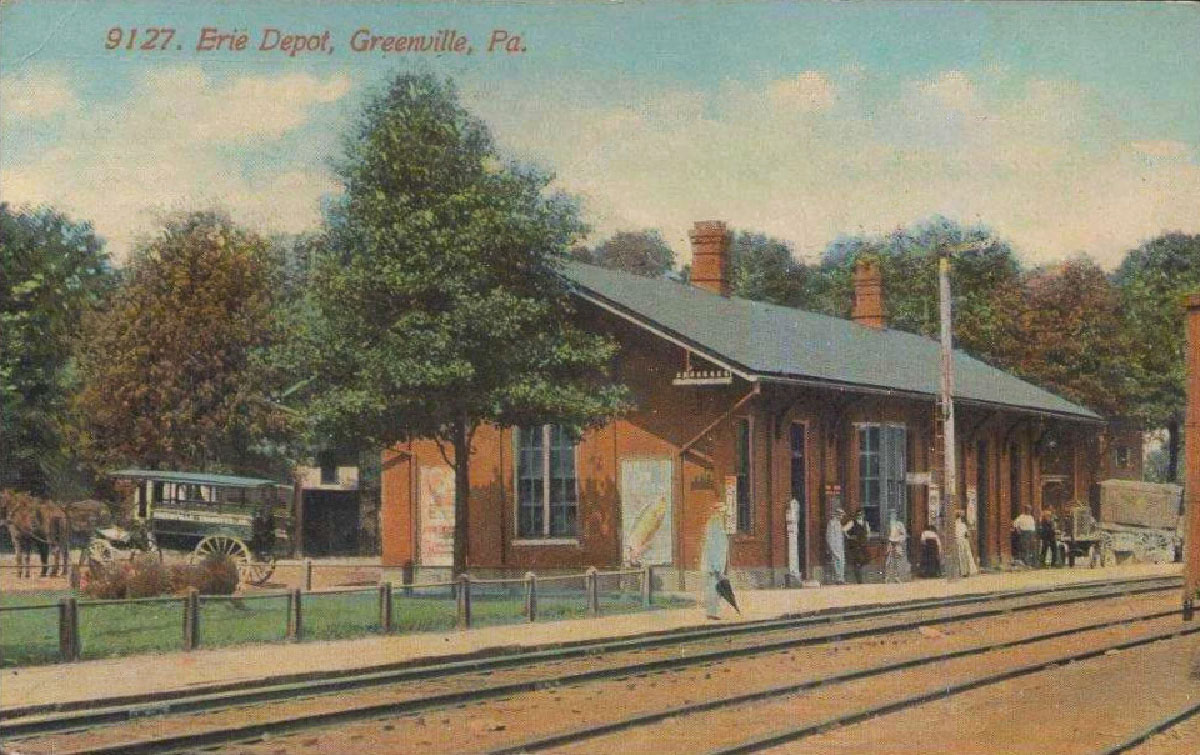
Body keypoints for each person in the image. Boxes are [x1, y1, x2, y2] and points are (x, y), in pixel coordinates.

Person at [701, 500, 730, 619]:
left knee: (716, 588)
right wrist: (716, 567)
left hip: (717, 563)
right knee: (713, 588)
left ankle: (713, 612)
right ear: (716, 512)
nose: (723, 514)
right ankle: (711, 613)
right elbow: (712, 547)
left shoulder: (717, 524)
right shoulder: (714, 525)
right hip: (714, 565)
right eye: (722, 512)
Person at [846, 511, 870, 584]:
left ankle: (861, 579)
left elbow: (868, 533)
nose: (860, 516)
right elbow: (844, 530)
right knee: (857, 562)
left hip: (863, 545)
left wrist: (866, 539)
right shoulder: (852, 523)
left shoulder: (866, 523)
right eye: (858, 515)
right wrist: (849, 537)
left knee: (863, 561)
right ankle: (859, 580)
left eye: (861, 514)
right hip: (855, 545)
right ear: (856, 516)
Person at [884, 516, 909, 583]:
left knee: (897, 561)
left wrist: (899, 540)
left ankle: (897, 576)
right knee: (888, 561)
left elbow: (904, 534)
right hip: (890, 544)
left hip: (898, 544)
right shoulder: (888, 524)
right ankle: (887, 576)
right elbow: (886, 534)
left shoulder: (900, 524)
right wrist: (888, 541)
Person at [825, 508, 846, 584]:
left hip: (840, 546)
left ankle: (841, 578)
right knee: (837, 562)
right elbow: (829, 537)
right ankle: (838, 579)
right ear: (837, 515)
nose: (842, 517)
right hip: (834, 546)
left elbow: (841, 535)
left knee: (842, 562)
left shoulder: (839, 523)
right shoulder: (832, 523)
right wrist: (831, 548)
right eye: (841, 515)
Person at [955, 511, 978, 576]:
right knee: (966, 556)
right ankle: (967, 571)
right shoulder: (963, 525)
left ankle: (962, 571)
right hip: (964, 541)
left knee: (961, 557)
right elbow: (967, 534)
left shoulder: (955, 525)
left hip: (958, 541)